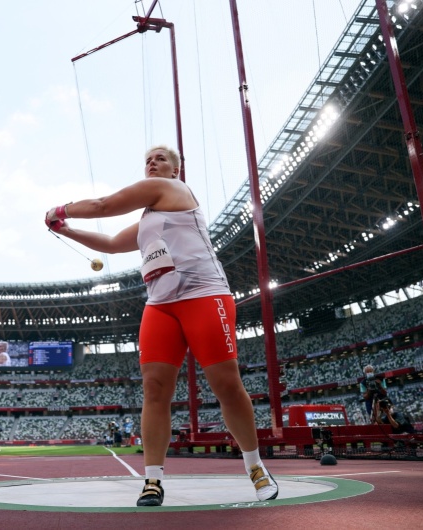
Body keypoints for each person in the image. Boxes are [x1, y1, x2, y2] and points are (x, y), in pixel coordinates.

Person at [45, 145, 278, 507]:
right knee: (154, 390)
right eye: (147, 160)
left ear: (175, 170)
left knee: (226, 383)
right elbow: (109, 242)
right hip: (160, 305)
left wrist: (59, 210)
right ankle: (152, 479)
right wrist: (67, 230)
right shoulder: (148, 220)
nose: (152, 163)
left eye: (160, 159)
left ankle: (255, 466)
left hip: (203, 295)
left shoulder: (174, 191)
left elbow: (105, 205)